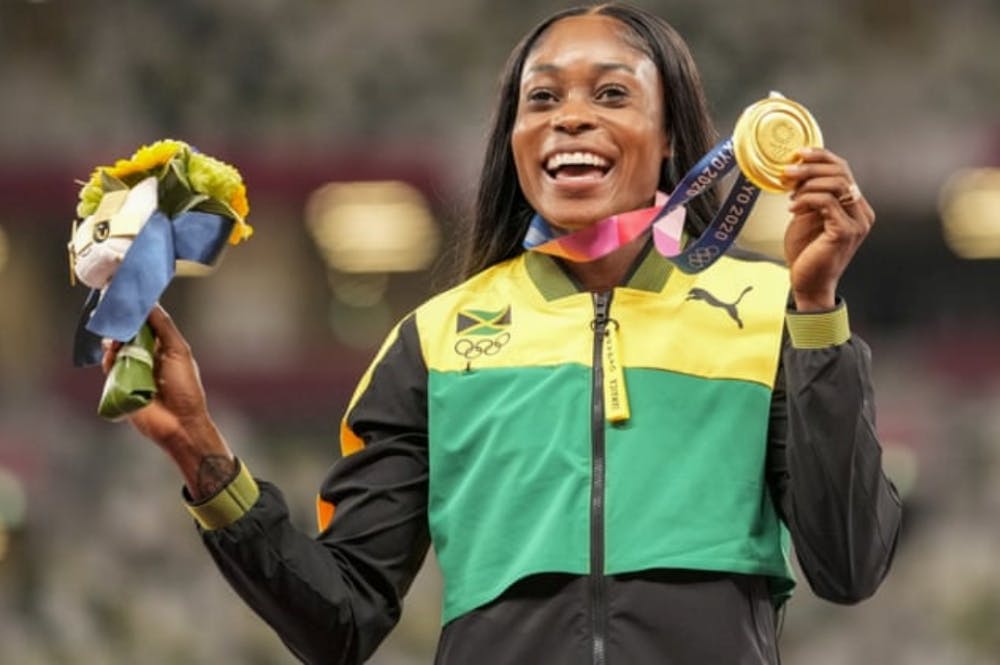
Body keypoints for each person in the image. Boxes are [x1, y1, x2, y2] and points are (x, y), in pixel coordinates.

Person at [106, 4, 902, 664]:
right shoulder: (433, 341)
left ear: (670, 137)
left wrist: (815, 307)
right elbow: (340, 619)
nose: (571, 116)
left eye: (612, 93)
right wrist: (199, 450)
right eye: (542, 98)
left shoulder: (770, 311)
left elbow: (849, 564)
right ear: (515, 142)